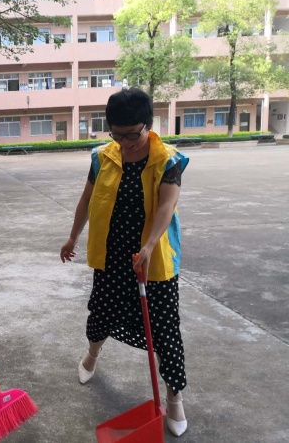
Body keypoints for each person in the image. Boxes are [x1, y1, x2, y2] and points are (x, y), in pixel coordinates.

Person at [60, 88, 190, 437]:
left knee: (164, 330)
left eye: (133, 134)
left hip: (153, 260)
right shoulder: (102, 157)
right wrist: (73, 237)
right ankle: (91, 356)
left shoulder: (169, 160)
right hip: (113, 255)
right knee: (102, 310)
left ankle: (174, 398)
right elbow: (87, 199)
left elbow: (167, 206)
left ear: (149, 125)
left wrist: (148, 246)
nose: (125, 143)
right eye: (117, 135)